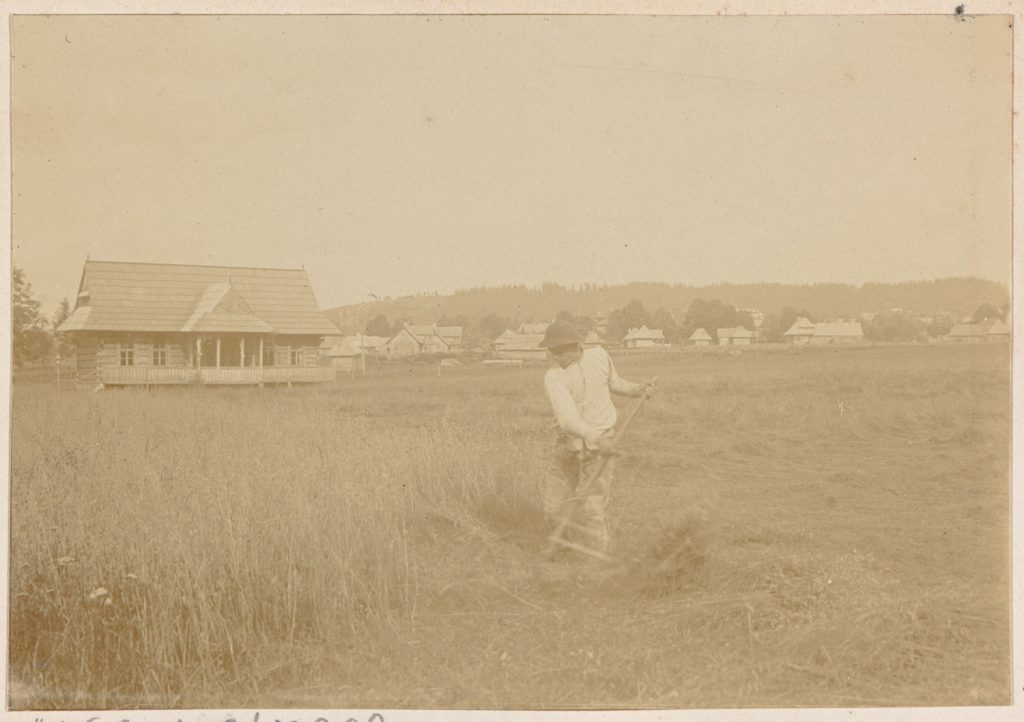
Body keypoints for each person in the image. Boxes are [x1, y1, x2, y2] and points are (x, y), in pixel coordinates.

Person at [539, 319, 655, 556]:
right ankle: (561, 555)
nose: (556, 357)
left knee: (593, 508)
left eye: (560, 351)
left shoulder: (600, 357)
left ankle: (597, 562)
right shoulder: (553, 377)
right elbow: (567, 420)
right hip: (566, 445)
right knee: (553, 508)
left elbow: (614, 383)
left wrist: (637, 390)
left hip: (600, 445)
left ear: (576, 346)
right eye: (552, 352)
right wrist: (595, 437)